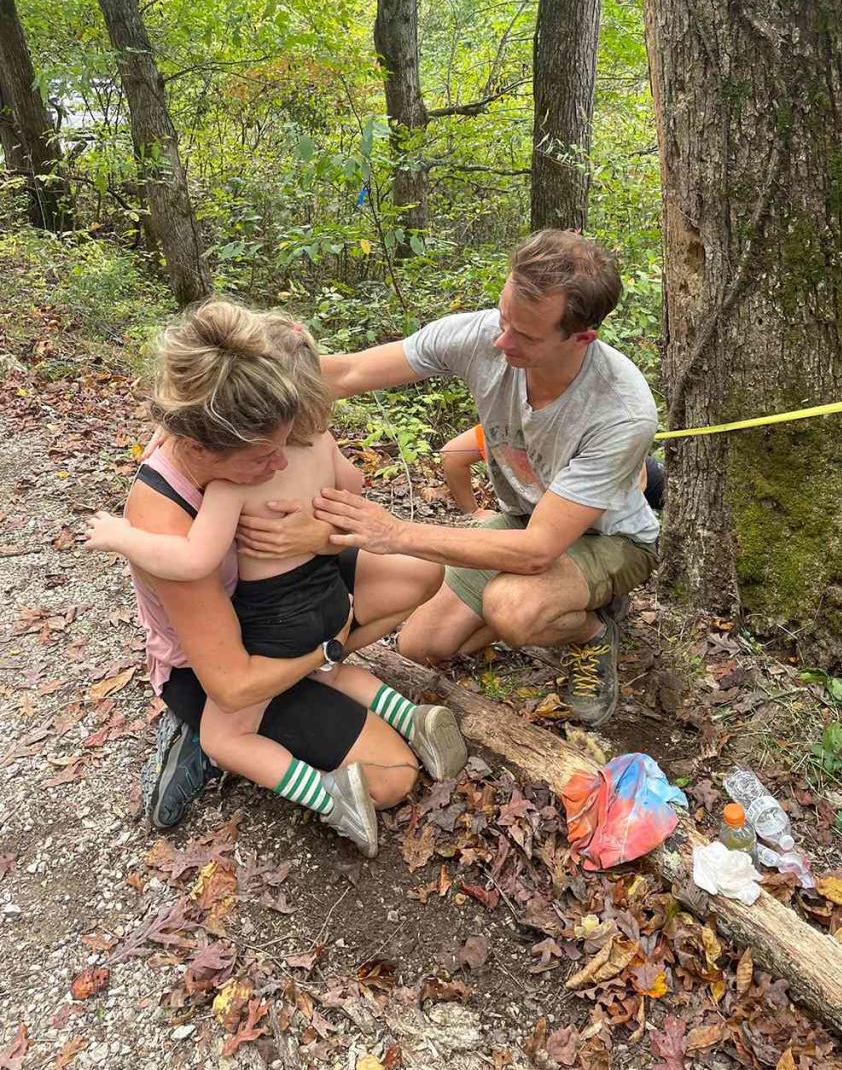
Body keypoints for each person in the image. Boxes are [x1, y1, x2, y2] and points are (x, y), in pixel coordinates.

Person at [237, 231, 660, 729]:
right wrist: (208, 415)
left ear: (582, 336)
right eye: (503, 318)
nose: (502, 342)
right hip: (524, 519)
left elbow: (539, 550)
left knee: (512, 609)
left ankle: (589, 632)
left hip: (611, 538)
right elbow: (346, 373)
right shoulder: (484, 336)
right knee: (423, 644)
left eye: (525, 335)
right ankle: (547, 604)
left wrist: (393, 535)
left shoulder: (621, 411)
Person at [90, 301, 454, 853]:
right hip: (220, 666)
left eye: (284, 445)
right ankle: (197, 735)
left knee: (417, 572)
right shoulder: (169, 512)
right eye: (264, 457)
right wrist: (326, 651)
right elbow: (231, 683)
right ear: (197, 447)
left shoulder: (228, 429)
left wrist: (314, 531)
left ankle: (305, 689)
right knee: (392, 776)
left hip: (277, 621)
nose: (281, 466)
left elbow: (327, 392)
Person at [441, 422, 665, 518]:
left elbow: (637, 485)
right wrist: (474, 512)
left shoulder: (579, 425)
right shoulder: (500, 430)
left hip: (625, 474)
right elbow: (452, 455)